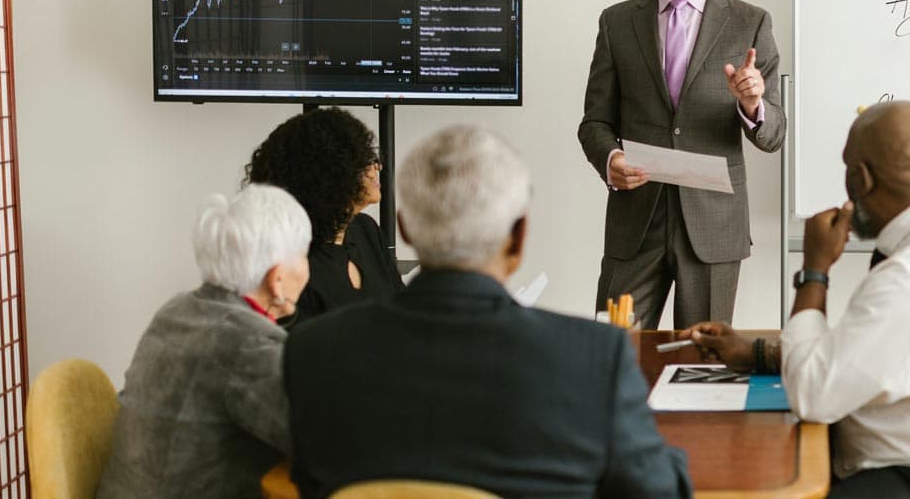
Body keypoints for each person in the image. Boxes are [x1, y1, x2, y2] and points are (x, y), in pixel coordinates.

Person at [283, 125, 691, 499]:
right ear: (518, 237)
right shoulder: (596, 358)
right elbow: (658, 492)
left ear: (404, 229)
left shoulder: (311, 352)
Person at [682, 101, 910, 499]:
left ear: (861, 178)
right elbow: (872, 353)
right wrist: (763, 355)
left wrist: (815, 272)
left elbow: (813, 397)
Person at [577, 0, 785, 329]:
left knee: (701, 368)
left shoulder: (750, 22)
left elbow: (774, 134)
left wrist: (753, 105)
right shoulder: (617, 22)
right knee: (613, 355)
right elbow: (594, 122)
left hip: (712, 228)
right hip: (636, 222)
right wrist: (610, 158)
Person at [98, 184, 311, 498]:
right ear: (277, 279)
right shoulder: (247, 342)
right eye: (304, 256)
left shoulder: (176, 310)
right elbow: (317, 441)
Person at [245, 107, 400, 322]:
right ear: (330, 174)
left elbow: (401, 315)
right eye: (366, 160)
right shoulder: (291, 261)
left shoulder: (366, 230)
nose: (378, 167)